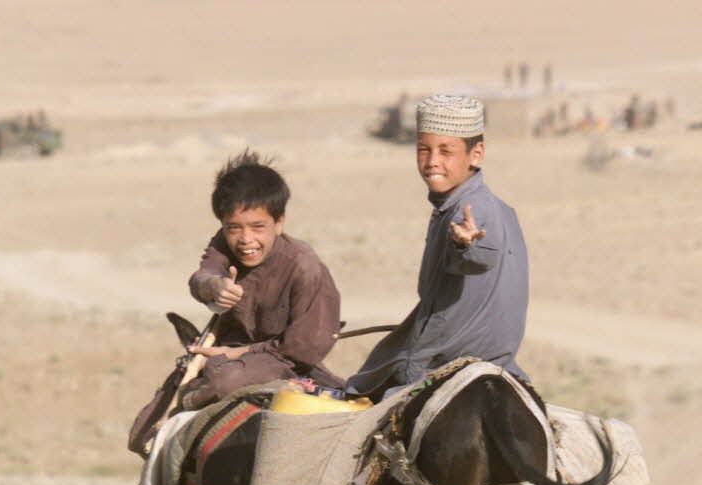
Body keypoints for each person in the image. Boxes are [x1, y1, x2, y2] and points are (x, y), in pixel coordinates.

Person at [346, 94, 530, 400]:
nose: (432, 162)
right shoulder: (493, 207)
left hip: (446, 359)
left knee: (356, 405)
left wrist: (465, 245)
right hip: (502, 363)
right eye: (424, 150)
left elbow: (479, 257)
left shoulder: (469, 211)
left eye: (446, 151)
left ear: (476, 153)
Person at [180, 150, 342, 409]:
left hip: (282, 362)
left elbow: (302, 349)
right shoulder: (224, 241)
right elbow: (203, 276)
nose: (245, 240)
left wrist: (237, 354)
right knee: (145, 427)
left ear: (279, 223)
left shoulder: (304, 266)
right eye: (234, 228)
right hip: (227, 351)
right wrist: (214, 287)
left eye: (258, 227)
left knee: (225, 380)